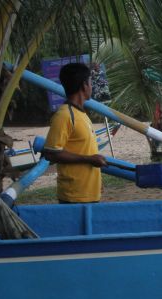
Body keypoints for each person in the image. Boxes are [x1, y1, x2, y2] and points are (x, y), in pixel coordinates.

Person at [43, 63, 107, 203]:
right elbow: (51, 153)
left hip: (89, 193)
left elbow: (84, 149)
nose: (92, 86)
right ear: (84, 85)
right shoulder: (64, 115)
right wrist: (89, 159)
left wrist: (97, 181)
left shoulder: (81, 114)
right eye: (90, 82)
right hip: (74, 196)